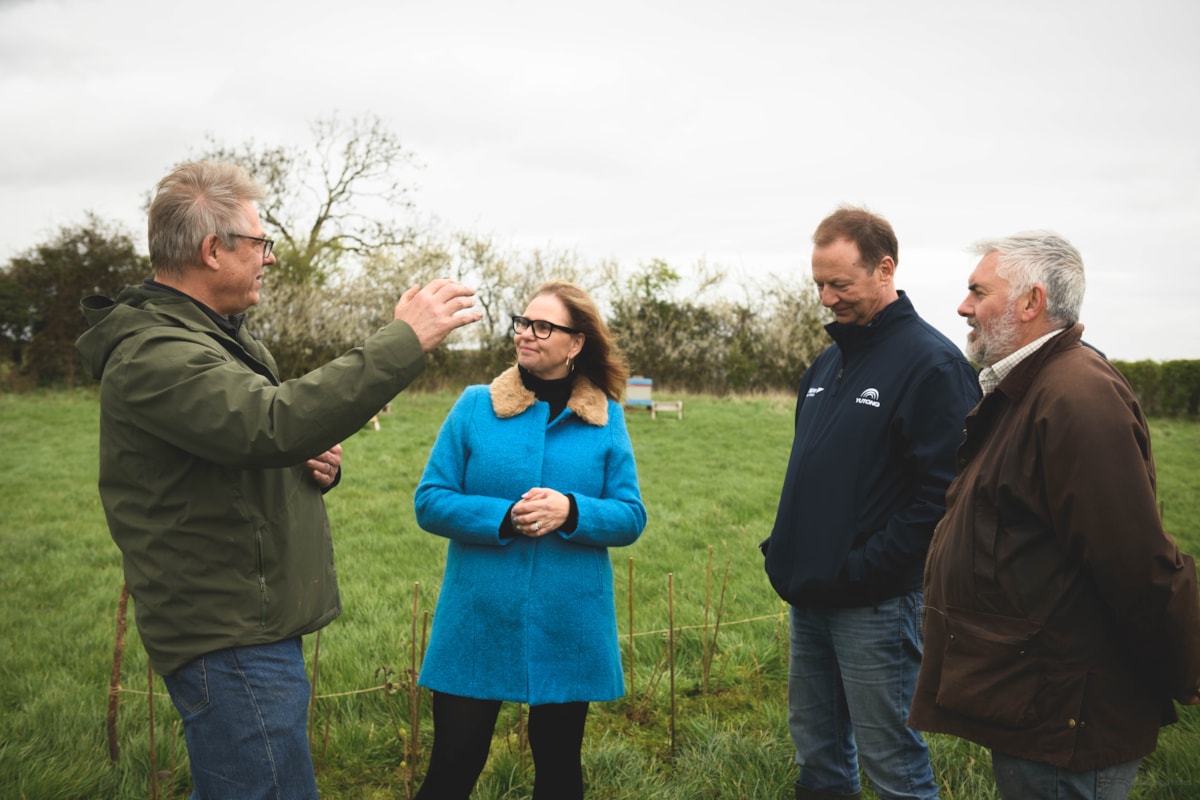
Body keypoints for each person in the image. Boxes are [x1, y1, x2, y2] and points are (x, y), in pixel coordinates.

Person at [74, 160, 481, 800]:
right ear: (214, 250)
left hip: (248, 618)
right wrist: (406, 339)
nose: (268, 258)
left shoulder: (222, 341)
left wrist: (308, 460)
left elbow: (254, 442)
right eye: (261, 243)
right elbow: (272, 423)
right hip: (228, 632)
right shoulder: (157, 353)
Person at [908, 232, 1200, 800]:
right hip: (1033, 696)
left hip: (1068, 712)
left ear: (1031, 302)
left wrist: (1186, 664)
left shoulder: (1074, 396)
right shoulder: (1036, 387)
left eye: (977, 291)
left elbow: (1134, 560)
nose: (963, 307)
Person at [761, 206, 979, 800]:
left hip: (878, 604)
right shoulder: (828, 363)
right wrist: (785, 553)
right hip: (812, 594)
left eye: (841, 284)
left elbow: (944, 498)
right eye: (819, 285)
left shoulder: (931, 365)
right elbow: (813, 475)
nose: (827, 299)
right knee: (818, 752)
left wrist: (862, 568)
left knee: (891, 760)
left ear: (885, 269)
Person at [412, 280, 647, 799]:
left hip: (568, 623)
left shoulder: (605, 417)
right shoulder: (475, 406)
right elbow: (429, 500)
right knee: (453, 764)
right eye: (523, 322)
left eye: (543, 326)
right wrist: (502, 517)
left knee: (560, 769)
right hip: (478, 619)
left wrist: (572, 510)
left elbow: (631, 516)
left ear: (576, 342)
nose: (526, 334)